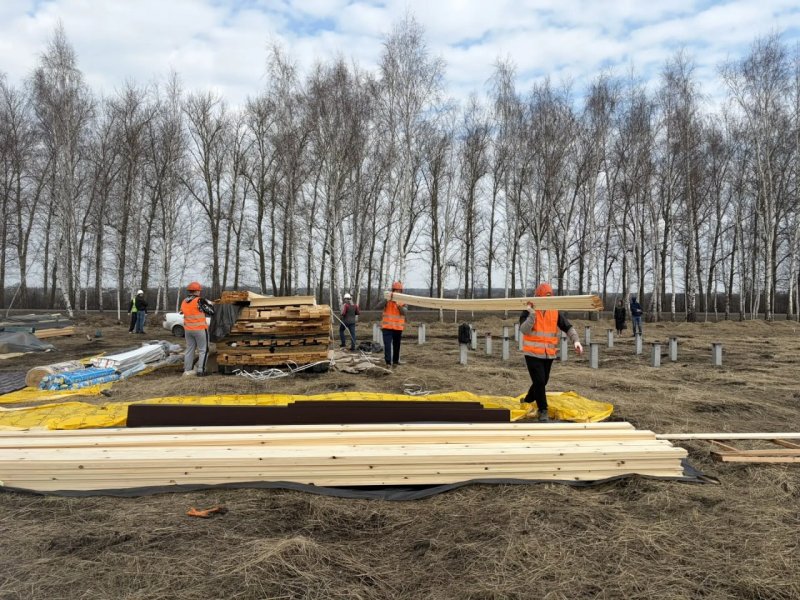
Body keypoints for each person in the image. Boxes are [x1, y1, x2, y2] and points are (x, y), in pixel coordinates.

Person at [519, 283, 583, 422]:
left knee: (543, 381)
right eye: (544, 297)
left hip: (549, 353)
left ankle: (528, 399)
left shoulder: (554, 310)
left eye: (549, 297)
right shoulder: (528, 310)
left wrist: (576, 341)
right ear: (538, 297)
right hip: (532, 353)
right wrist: (532, 315)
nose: (547, 300)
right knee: (539, 381)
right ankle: (543, 410)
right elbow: (524, 330)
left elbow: (568, 327)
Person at [180, 281, 215, 377]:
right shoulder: (200, 300)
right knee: (204, 350)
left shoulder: (184, 301)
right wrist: (209, 303)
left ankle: (187, 369)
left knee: (189, 349)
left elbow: (182, 312)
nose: (200, 292)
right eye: (199, 290)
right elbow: (211, 312)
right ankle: (201, 370)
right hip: (200, 329)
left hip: (188, 330)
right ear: (196, 291)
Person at [380, 281, 407, 368]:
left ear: (401, 291)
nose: (397, 292)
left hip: (398, 327)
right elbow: (378, 306)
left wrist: (399, 306)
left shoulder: (403, 300)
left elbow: (404, 313)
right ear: (393, 290)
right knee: (387, 345)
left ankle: (395, 361)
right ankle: (388, 362)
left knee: (397, 345)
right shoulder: (388, 298)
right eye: (396, 290)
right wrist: (386, 300)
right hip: (387, 327)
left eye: (399, 290)